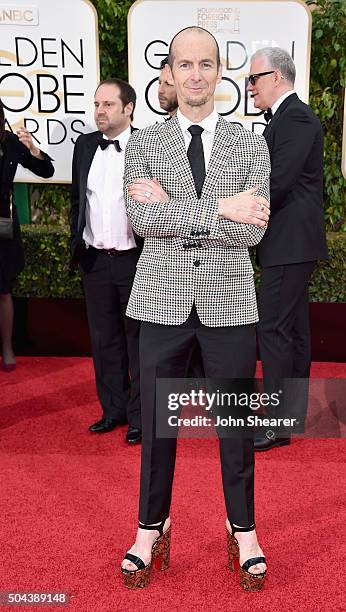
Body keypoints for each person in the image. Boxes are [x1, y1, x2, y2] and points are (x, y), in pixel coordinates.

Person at [121, 26, 270, 592]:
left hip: (230, 303)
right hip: (160, 299)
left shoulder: (250, 140)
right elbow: (144, 222)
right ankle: (149, 529)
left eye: (206, 64)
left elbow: (254, 229)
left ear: (220, 72)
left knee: (235, 425)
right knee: (158, 428)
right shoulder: (143, 141)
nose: (196, 75)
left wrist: (186, 209)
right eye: (185, 65)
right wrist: (220, 208)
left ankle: (244, 530)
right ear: (170, 74)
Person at [247, 47, 329, 451]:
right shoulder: (288, 117)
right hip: (290, 242)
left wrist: (234, 208)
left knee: (274, 328)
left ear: (276, 77)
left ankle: (278, 423)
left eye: (254, 79)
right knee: (293, 329)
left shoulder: (294, 116)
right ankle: (288, 415)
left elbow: (275, 183)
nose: (250, 87)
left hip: (289, 241)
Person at [70, 78, 142, 445]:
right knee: (104, 341)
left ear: (128, 108)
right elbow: (78, 201)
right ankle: (112, 411)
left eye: (108, 105)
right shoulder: (84, 146)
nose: (99, 111)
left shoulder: (148, 146)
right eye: (97, 104)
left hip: (136, 261)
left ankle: (140, 419)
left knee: (139, 343)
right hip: (95, 261)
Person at [0, 98, 54, 372]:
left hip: (3, 226)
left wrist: (33, 148)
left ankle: (7, 347)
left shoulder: (10, 143)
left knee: (3, 290)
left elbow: (46, 171)